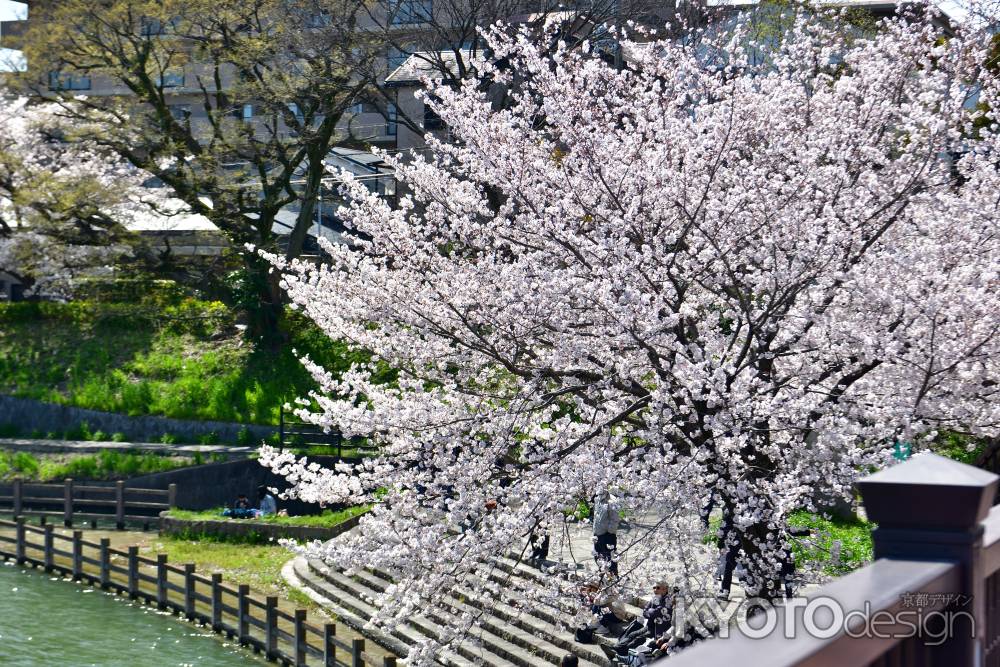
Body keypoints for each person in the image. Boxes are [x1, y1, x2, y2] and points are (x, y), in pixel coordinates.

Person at [592, 490, 621, 577]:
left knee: (610, 557)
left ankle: (613, 576)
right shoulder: (597, 499)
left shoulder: (611, 501)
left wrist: (609, 531)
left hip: (607, 534)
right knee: (598, 555)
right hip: (597, 534)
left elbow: (615, 518)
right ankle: (603, 574)